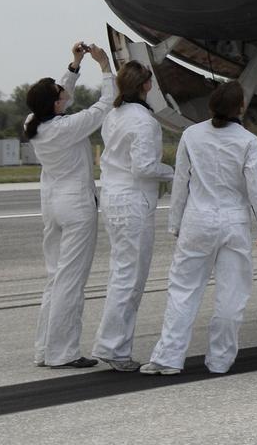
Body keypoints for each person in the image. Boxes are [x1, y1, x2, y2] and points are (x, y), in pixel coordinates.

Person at [141, 82, 257, 375]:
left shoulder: (192, 135)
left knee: (183, 291)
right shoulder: (249, 142)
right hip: (234, 223)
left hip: (196, 221)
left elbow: (181, 183)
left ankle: (167, 359)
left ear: (211, 107)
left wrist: (174, 223)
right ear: (241, 108)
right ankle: (219, 361)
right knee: (232, 295)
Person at [26, 41, 114, 369]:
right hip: (76, 208)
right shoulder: (66, 128)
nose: (65, 94)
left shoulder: (33, 122)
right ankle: (64, 352)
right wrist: (105, 66)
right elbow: (105, 104)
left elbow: (63, 96)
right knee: (71, 281)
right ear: (56, 104)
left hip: (52, 205)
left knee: (55, 278)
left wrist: (75, 65)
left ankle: (44, 349)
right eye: (60, 93)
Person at [91, 61, 174, 372]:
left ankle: (112, 344)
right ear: (146, 86)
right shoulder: (144, 122)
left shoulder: (114, 115)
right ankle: (115, 348)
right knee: (130, 278)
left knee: (121, 273)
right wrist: (176, 174)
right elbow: (145, 168)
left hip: (113, 198)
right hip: (132, 202)